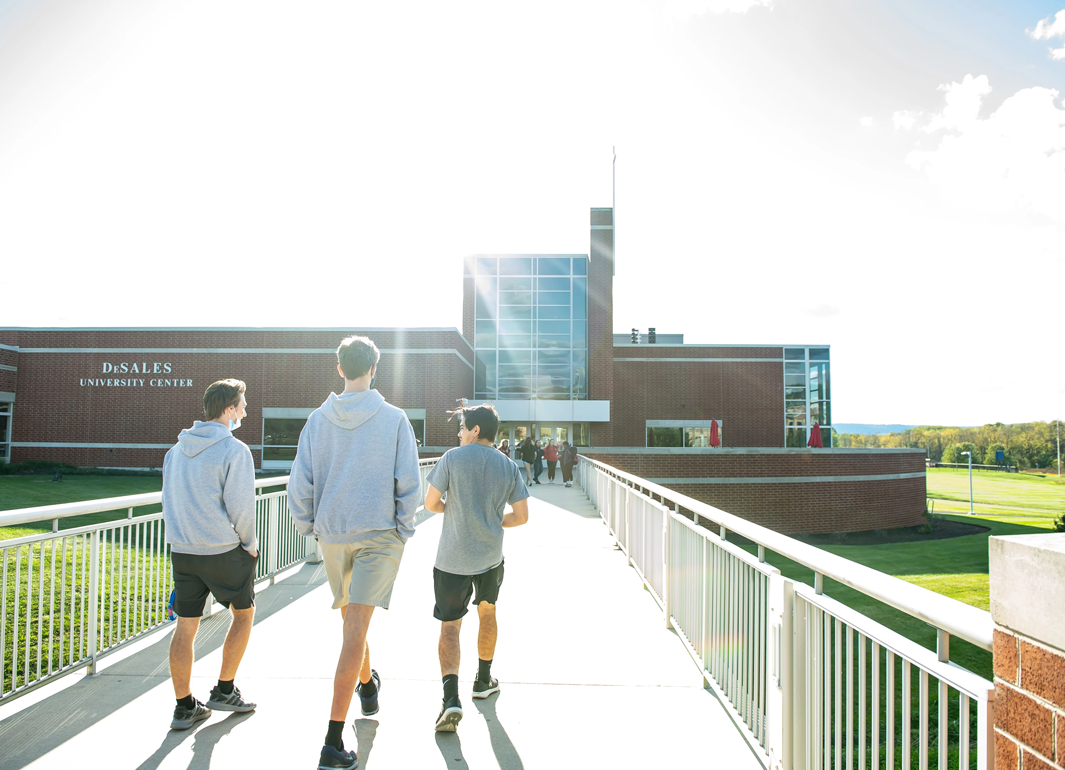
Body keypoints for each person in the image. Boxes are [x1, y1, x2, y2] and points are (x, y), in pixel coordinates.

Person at [288, 335, 422, 770]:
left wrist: (309, 526)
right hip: (378, 534)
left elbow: (300, 482)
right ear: (374, 370)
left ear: (340, 369)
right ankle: (331, 741)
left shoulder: (316, 420)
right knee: (354, 627)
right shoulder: (394, 418)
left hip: (333, 535)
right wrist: (403, 530)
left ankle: (367, 686)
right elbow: (409, 482)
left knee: (352, 622)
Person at [423, 404, 530, 732]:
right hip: (489, 559)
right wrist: (490, 521)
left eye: (462, 427)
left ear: (476, 431)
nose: (459, 432)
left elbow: (429, 503)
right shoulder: (509, 466)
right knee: (487, 613)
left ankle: (450, 698)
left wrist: (456, 512)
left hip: (452, 560)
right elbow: (521, 516)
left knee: (450, 627)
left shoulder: (452, 459)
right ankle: (483, 681)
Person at [162, 379, 259, 731]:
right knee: (244, 615)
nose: (246, 411)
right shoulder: (235, 450)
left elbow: (168, 500)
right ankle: (224, 690)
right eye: (243, 405)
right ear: (229, 409)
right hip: (223, 550)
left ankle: (184, 706)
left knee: (185, 627)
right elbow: (242, 508)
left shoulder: (174, 452)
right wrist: (249, 544)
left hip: (183, 551)